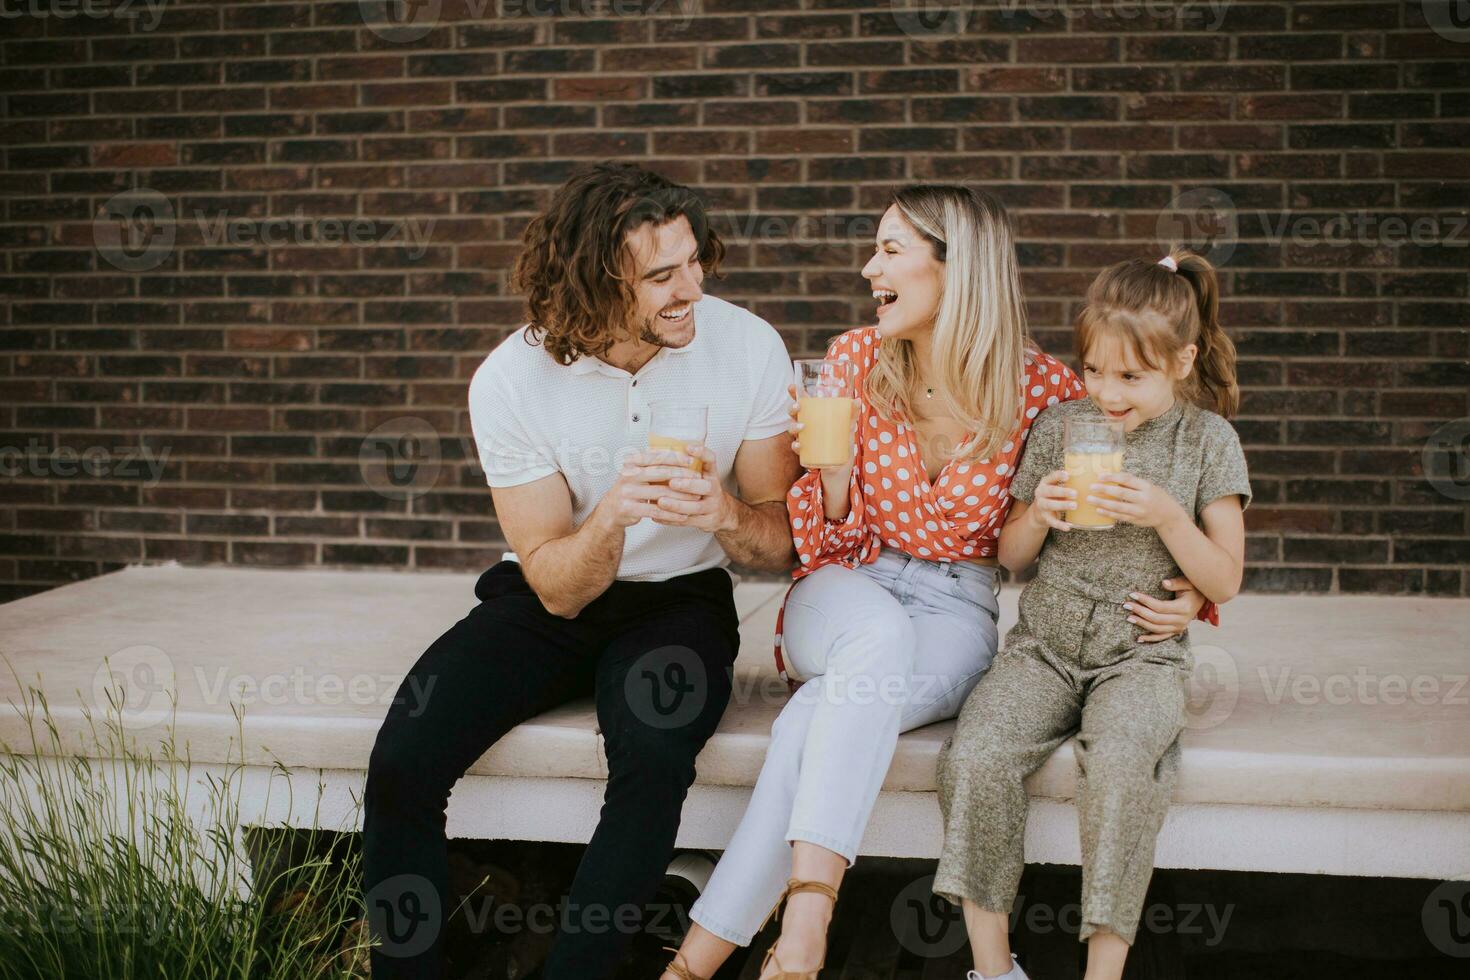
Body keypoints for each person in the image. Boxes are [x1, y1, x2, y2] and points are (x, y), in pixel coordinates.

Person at [658, 189, 1208, 980]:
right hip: (846, 586)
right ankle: (807, 927)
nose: (867, 267)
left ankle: (694, 965)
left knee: (819, 715)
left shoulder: (1045, 391)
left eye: (889, 250)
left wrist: (1191, 585)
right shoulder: (850, 361)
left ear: (956, 271)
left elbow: (1157, 435)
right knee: (871, 642)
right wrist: (836, 477)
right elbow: (816, 543)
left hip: (958, 602)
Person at [361, 162, 802, 980]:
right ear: (597, 285)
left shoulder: (747, 346)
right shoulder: (510, 379)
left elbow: (784, 542)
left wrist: (724, 515)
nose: (691, 289)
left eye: (696, 261)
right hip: (548, 596)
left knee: (654, 761)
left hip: (679, 603)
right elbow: (557, 585)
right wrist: (612, 516)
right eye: (662, 275)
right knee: (403, 761)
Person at [933, 249, 1251, 980]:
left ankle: (1101, 973)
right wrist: (1038, 514)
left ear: (1181, 360)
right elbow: (1013, 555)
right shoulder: (1059, 427)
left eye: (1130, 376)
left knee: (1117, 770)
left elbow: (1224, 579)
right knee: (976, 757)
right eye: (1094, 370)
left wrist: (1170, 516)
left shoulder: (1208, 442)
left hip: (1141, 650)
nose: (1107, 392)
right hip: (1045, 646)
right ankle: (992, 966)